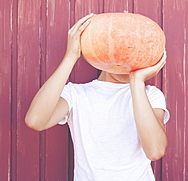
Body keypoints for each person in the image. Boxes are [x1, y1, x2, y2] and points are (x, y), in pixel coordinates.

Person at [25, 13, 169, 180]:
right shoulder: (77, 94)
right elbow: (35, 121)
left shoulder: (150, 95)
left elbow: (155, 151)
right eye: (121, 48)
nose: (128, 55)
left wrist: (136, 81)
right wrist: (71, 56)